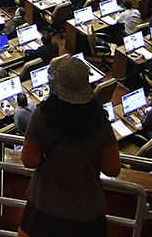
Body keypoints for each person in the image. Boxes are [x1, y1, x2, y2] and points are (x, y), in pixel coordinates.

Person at [19, 57, 120, 237]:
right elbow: (113, 169)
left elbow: (29, 160)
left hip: (45, 203)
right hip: (87, 209)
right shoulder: (99, 121)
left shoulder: (41, 116)